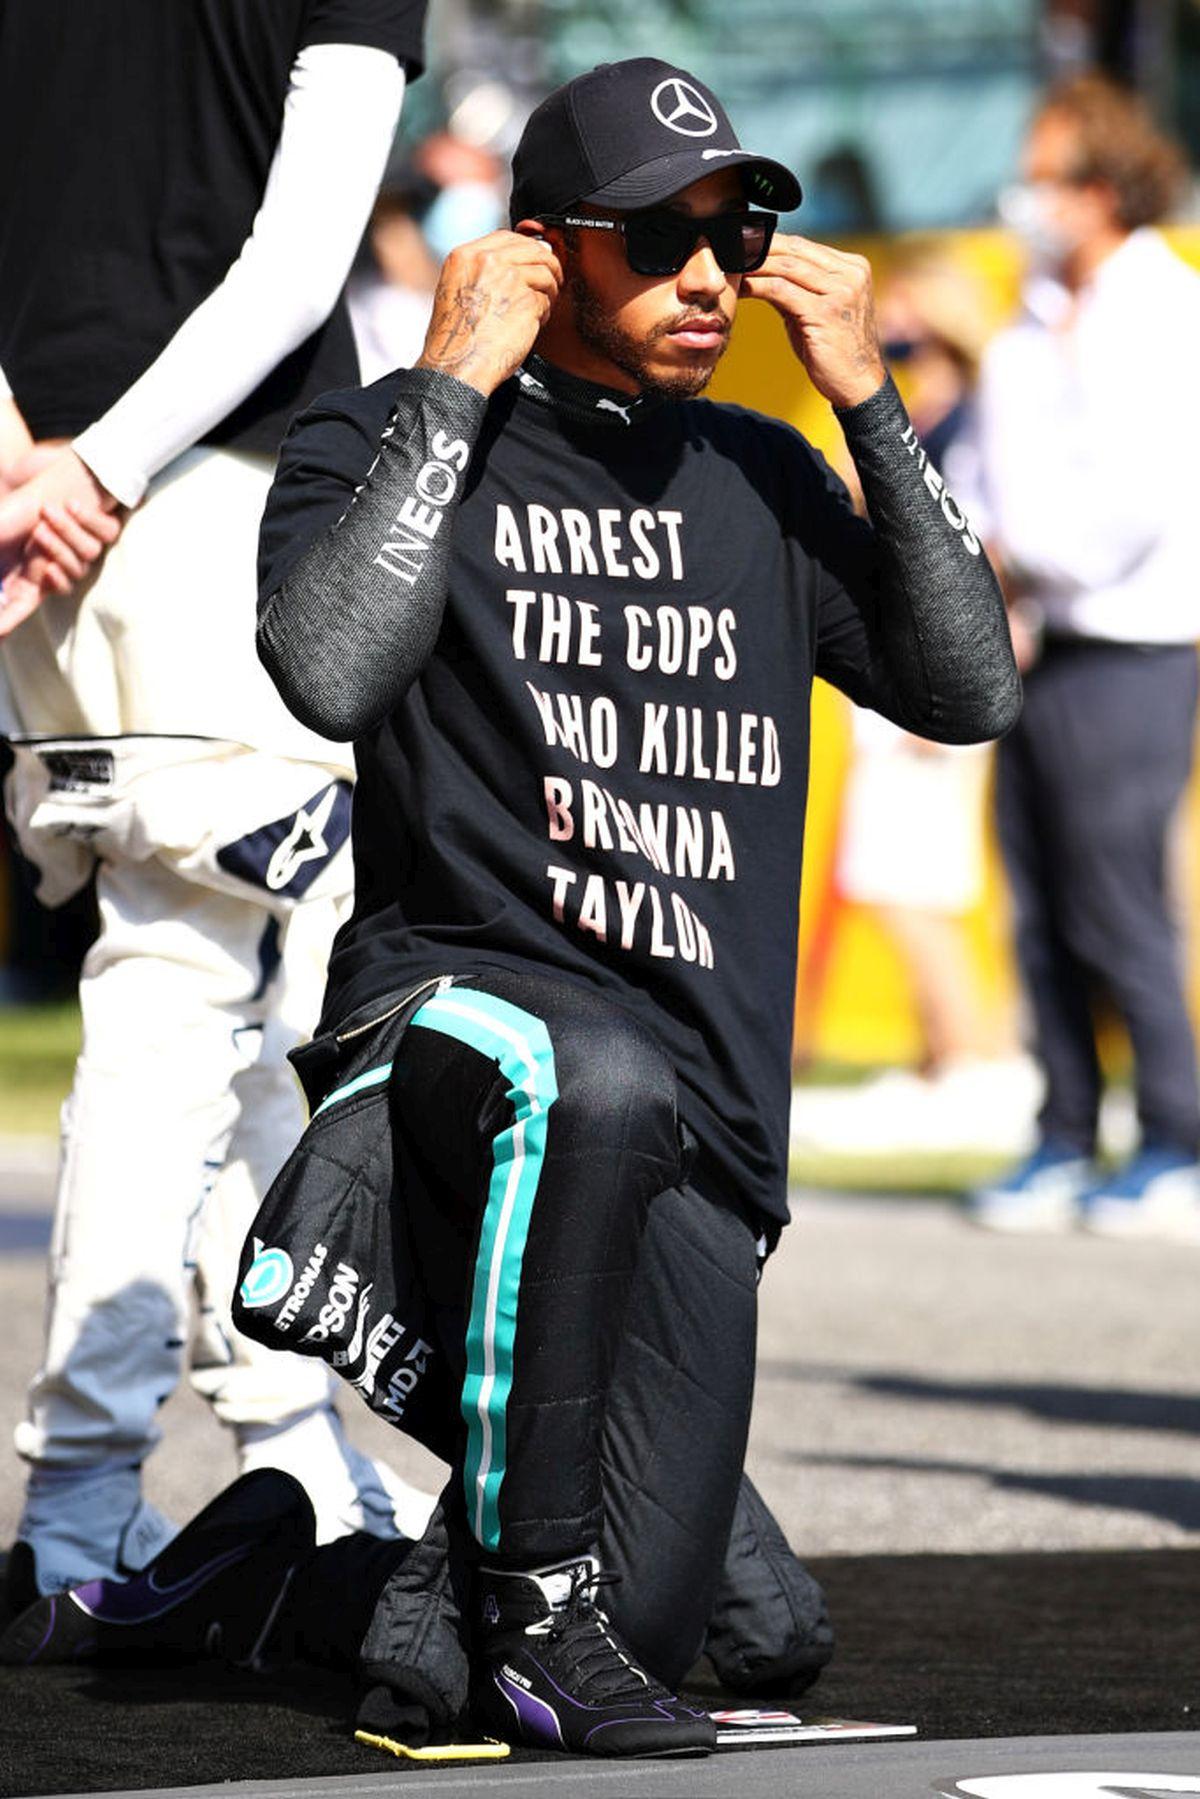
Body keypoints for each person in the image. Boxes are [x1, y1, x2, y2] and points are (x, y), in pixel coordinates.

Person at [241, 56, 1020, 1758]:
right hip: (454, 1046)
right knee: (583, 1063)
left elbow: (970, 689)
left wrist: (872, 405)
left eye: (733, 234)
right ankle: (525, 1596)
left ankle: (262, 1574)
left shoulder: (758, 468)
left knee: (726, 1626)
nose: (708, 276)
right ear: (542, 248)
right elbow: (327, 668)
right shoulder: (387, 429)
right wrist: (452, 380)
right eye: (656, 238)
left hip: (698, 1133)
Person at [0, 0, 431, 1607]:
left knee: (230, 1007)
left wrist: (32, 462)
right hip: (199, 500)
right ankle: (79, 1496)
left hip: (49, 505)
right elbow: (299, 261)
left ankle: (291, 1445)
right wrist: (99, 469)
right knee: (196, 1000)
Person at [971, 74, 1200, 1239]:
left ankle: (1175, 1140)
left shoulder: (1162, 310)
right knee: (1040, 899)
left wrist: (1017, 559)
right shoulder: (1036, 306)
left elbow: (1136, 503)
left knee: (1118, 898)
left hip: (1134, 642)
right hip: (1039, 641)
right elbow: (991, 467)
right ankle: (1065, 1131)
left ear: (1104, 187)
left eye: (1048, 175)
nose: (1028, 197)